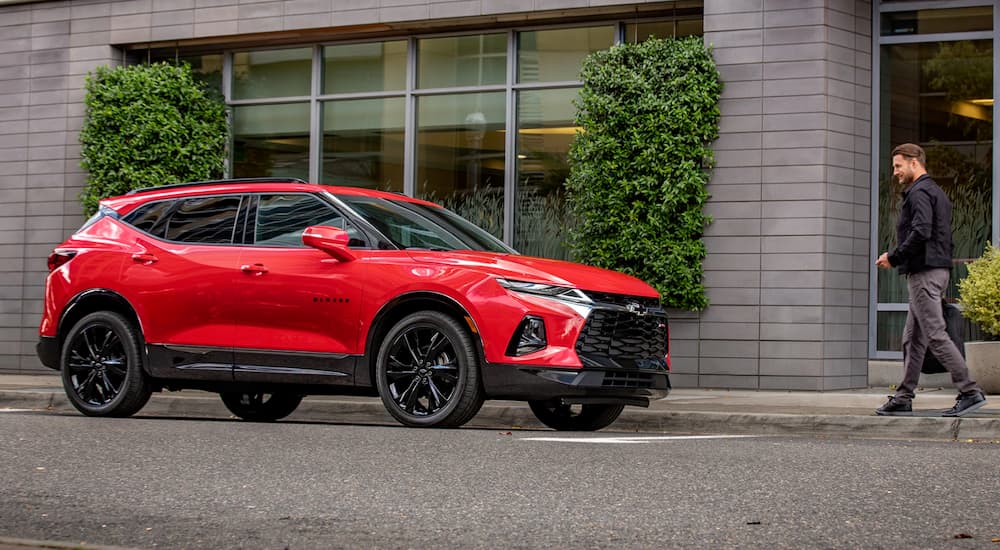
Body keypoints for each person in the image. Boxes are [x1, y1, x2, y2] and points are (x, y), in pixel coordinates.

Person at [875, 143, 987, 417]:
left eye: (898, 166)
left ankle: (970, 391)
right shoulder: (935, 191)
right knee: (912, 339)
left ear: (915, 163)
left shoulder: (920, 192)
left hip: (926, 273)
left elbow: (921, 230)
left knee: (935, 335)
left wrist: (895, 256)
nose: (895, 172)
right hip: (931, 271)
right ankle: (903, 396)